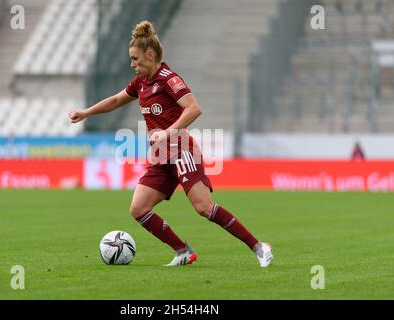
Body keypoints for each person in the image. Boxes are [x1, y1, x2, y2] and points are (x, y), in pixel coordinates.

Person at [69, 21, 273, 267]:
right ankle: (183, 251)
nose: (132, 64)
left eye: (135, 58)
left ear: (150, 54)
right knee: (138, 209)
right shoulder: (140, 83)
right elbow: (115, 100)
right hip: (160, 156)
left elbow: (193, 108)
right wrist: (86, 112)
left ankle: (259, 247)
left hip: (181, 150)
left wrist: (167, 132)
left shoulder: (168, 78)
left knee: (204, 208)